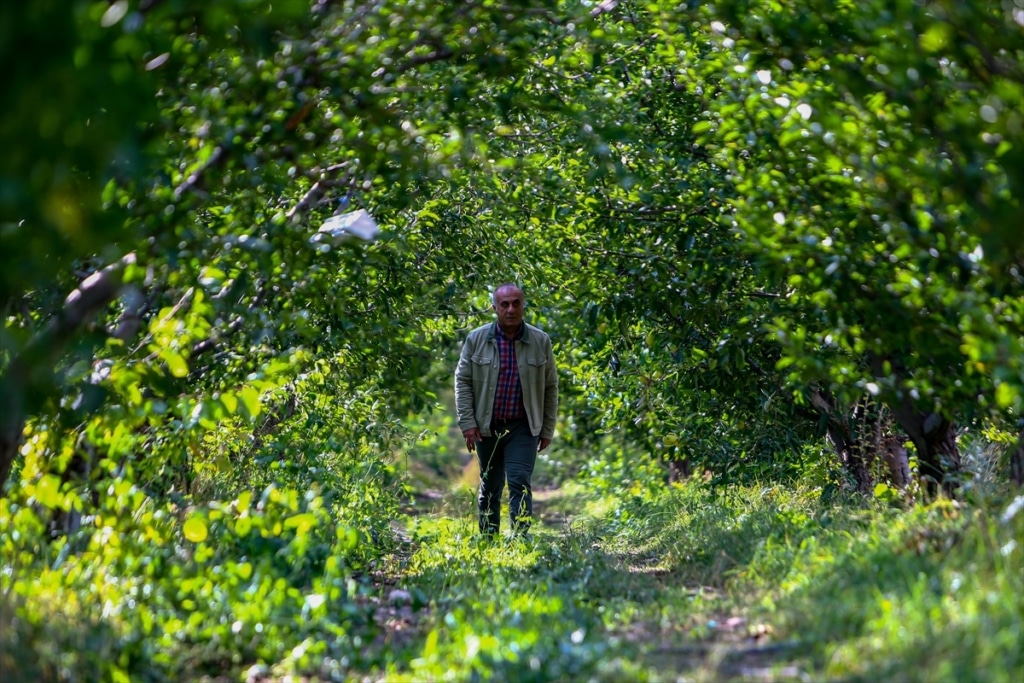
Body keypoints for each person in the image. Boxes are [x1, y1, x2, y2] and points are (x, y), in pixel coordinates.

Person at [454, 283, 558, 537]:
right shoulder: (476, 339)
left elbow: (551, 386)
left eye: (516, 303)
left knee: (519, 481)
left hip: (523, 426)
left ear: (523, 306)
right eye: (504, 304)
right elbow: (463, 380)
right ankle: (488, 539)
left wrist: (547, 428)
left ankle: (520, 539)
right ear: (494, 308)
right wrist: (468, 423)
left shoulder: (540, 340)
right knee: (490, 484)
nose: (510, 309)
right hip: (486, 427)